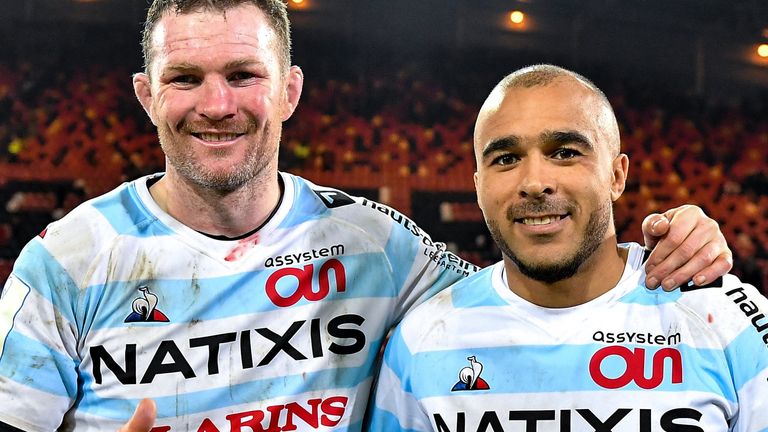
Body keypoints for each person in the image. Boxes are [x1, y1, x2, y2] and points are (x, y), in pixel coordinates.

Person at [0, 1, 732, 430]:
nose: (216, 104)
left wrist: (678, 235)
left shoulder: (378, 247)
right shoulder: (61, 267)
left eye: (243, 75)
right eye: (184, 78)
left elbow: (533, 280)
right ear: (145, 95)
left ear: (288, 91)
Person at [366, 65, 768, 432]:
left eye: (565, 153)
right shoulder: (421, 342)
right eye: (506, 159)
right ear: (478, 187)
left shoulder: (729, 319)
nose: (535, 182)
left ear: (616, 175)